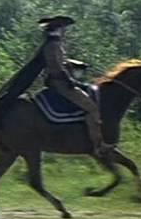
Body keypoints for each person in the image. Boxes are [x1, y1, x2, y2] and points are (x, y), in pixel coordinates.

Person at [39, 17, 110, 156]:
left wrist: (75, 64)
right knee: (92, 108)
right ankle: (98, 145)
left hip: (61, 81)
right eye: (64, 28)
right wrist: (69, 79)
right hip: (61, 84)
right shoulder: (53, 45)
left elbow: (61, 62)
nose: (66, 31)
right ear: (59, 29)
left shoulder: (53, 44)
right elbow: (56, 66)